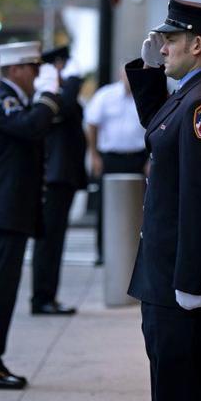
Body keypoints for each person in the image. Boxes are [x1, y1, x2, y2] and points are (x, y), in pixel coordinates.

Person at [124, 0, 201, 401]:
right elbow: (159, 130)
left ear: (197, 45)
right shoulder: (191, 95)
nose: (162, 46)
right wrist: (150, 73)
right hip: (166, 274)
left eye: (171, 40)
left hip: (182, 280)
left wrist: (191, 282)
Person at [0, 41, 73, 390]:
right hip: (4, 210)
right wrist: (48, 96)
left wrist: (47, 99)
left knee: (5, 291)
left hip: (12, 210)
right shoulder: (3, 100)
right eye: (32, 68)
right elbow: (31, 127)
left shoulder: (14, 99)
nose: (36, 74)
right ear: (15, 69)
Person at [30, 46, 86, 315]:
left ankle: (47, 295)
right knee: (49, 241)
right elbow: (63, 108)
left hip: (63, 175)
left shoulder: (57, 93)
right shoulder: (48, 94)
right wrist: (71, 82)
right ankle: (42, 297)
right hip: (53, 175)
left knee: (55, 240)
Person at [84, 67, 147, 266]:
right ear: (120, 76)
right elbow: (92, 124)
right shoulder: (105, 95)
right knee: (106, 205)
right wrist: (94, 155)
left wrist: (150, 160)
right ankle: (103, 252)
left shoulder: (145, 95)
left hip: (138, 158)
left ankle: (139, 253)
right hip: (111, 158)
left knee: (142, 206)